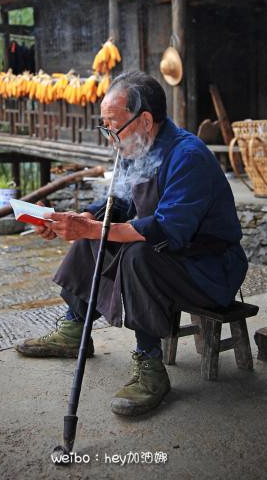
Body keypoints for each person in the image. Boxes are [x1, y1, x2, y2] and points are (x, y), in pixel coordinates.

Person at [16, 71, 248, 416]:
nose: (111, 138)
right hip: (171, 255)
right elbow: (120, 204)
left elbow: (165, 230)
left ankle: (150, 364)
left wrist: (91, 227)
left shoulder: (188, 157)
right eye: (105, 128)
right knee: (94, 233)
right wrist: (80, 218)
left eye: (114, 127)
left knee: (136, 253)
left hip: (209, 268)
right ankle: (75, 327)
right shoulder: (135, 147)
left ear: (145, 121)